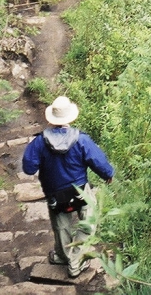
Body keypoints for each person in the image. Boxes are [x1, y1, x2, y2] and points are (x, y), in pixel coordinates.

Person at [22, 95, 114, 278]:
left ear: (52, 118)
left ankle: (63, 257)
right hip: (79, 190)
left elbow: (28, 168)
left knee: (61, 226)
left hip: (55, 193)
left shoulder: (40, 142)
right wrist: (108, 175)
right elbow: (98, 161)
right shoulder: (81, 140)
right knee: (89, 221)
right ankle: (76, 261)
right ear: (70, 117)